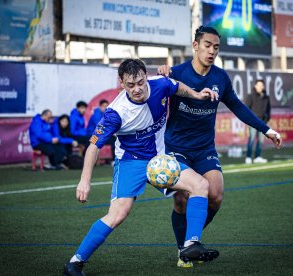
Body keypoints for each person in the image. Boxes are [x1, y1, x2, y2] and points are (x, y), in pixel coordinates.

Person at [63, 59, 220, 276]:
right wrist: (84, 180)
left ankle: (190, 245)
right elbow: (93, 147)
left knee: (200, 185)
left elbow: (176, 86)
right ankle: (75, 262)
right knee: (118, 214)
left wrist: (195, 94)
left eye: (140, 82)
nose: (136, 89)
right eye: (130, 85)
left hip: (160, 159)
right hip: (130, 162)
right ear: (121, 83)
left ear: (146, 76)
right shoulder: (115, 113)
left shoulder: (160, 84)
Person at [157, 26, 282, 268]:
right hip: (176, 148)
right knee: (182, 199)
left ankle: (187, 246)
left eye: (216, 47)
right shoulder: (176, 73)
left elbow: (238, 107)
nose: (212, 51)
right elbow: (150, 94)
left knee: (215, 196)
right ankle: (186, 248)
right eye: (207, 45)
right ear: (195, 45)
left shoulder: (220, 78)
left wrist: (267, 130)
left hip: (204, 149)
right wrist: (163, 73)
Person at [245, 79, 271, 164]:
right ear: (255, 86)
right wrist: (249, 121)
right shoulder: (251, 96)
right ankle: (248, 157)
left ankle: (257, 157)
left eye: (262, 85)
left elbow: (268, 110)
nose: (260, 87)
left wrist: (266, 119)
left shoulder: (266, 97)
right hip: (253, 123)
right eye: (258, 85)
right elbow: (246, 109)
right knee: (251, 139)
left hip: (263, 123)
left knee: (260, 141)